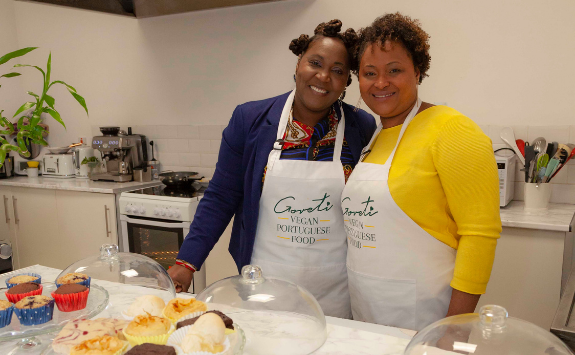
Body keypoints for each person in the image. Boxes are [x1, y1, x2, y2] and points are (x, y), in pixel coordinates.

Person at [168, 20, 376, 319]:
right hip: (263, 282)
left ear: (347, 81)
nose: (323, 76)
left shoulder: (361, 126)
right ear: (298, 64)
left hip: (336, 289)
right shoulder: (250, 119)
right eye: (315, 63)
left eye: (338, 70)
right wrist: (187, 262)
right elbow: (222, 195)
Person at [341, 13, 501, 330]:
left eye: (394, 70)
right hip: (366, 310)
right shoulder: (374, 136)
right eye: (369, 72)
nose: (381, 82)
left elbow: (480, 236)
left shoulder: (451, 129)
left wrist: (452, 330)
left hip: (426, 316)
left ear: (418, 71)